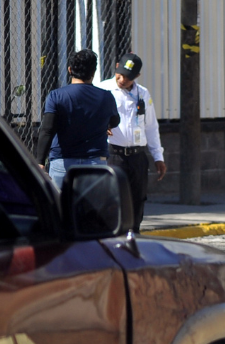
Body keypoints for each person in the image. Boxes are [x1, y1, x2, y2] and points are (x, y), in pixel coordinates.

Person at [99, 52, 165, 232]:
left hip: (137, 156)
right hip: (114, 155)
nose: (122, 80)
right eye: (120, 75)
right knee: (113, 200)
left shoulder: (142, 94)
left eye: (128, 77)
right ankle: (112, 236)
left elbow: (151, 126)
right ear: (116, 67)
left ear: (137, 77)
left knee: (137, 199)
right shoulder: (103, 89)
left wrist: (158, 156)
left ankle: (134, 235)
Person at [37, 49, 120, 190]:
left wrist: (40, 161)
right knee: (93, 209)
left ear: (70, 70)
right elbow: (115, 121)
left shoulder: (56, 96)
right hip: (95, 163)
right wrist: (105, 125)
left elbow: (47, 130)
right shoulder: (106, 97)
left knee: (61, 209)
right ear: (93, 72)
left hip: (63, 162)